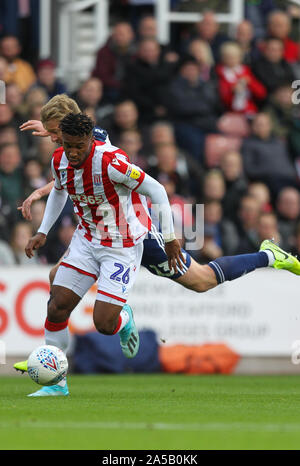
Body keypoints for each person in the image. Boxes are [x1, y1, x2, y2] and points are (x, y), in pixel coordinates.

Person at [15, 95, 300, 393]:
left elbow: (127, 181)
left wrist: (170, 238)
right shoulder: (66, 151)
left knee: (201, 282)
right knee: (56, 289)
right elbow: (68, 176)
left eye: (53, 133)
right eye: (51, 136)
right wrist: (43, 210)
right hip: (92, 233)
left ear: (71, 130)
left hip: (137, 233)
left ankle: (268, 254)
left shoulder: (103, 152)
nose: (52, 140)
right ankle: (53, 372)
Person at [18, 111, 184, 397]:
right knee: (57, 305)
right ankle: (55, 383)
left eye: (78, 146)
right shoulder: (59, 159)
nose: (71, 152)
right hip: (87, 239)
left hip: (121, 246)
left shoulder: (111, 162)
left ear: (89, 141)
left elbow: (157, 190)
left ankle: (124, 320)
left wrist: (169, 239)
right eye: (67, 145)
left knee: (104, 323)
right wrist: (44, 231)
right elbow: (59, 191)